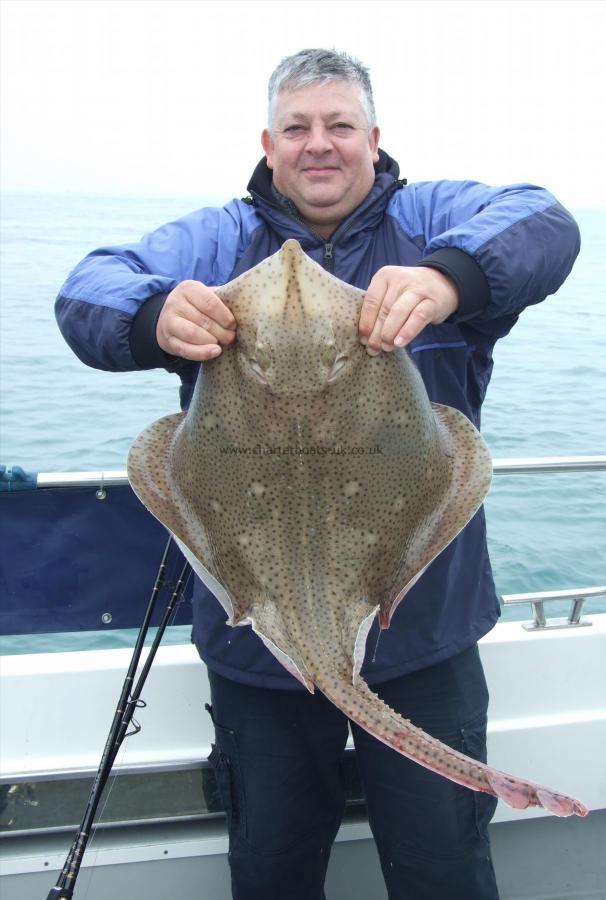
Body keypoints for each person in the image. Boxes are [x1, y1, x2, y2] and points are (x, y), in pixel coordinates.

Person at [56, 49, 580, 900]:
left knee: (443, 869)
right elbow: (89, 290)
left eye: (340, 125)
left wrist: (452, 281)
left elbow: (545, 222)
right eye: (297, 127)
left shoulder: (432, 222)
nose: (319, 144)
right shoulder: (219, 239)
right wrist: (153, 316)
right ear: (269, 144)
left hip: (420, 630)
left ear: (375, 139)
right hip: (253, 643)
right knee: (272, 873)